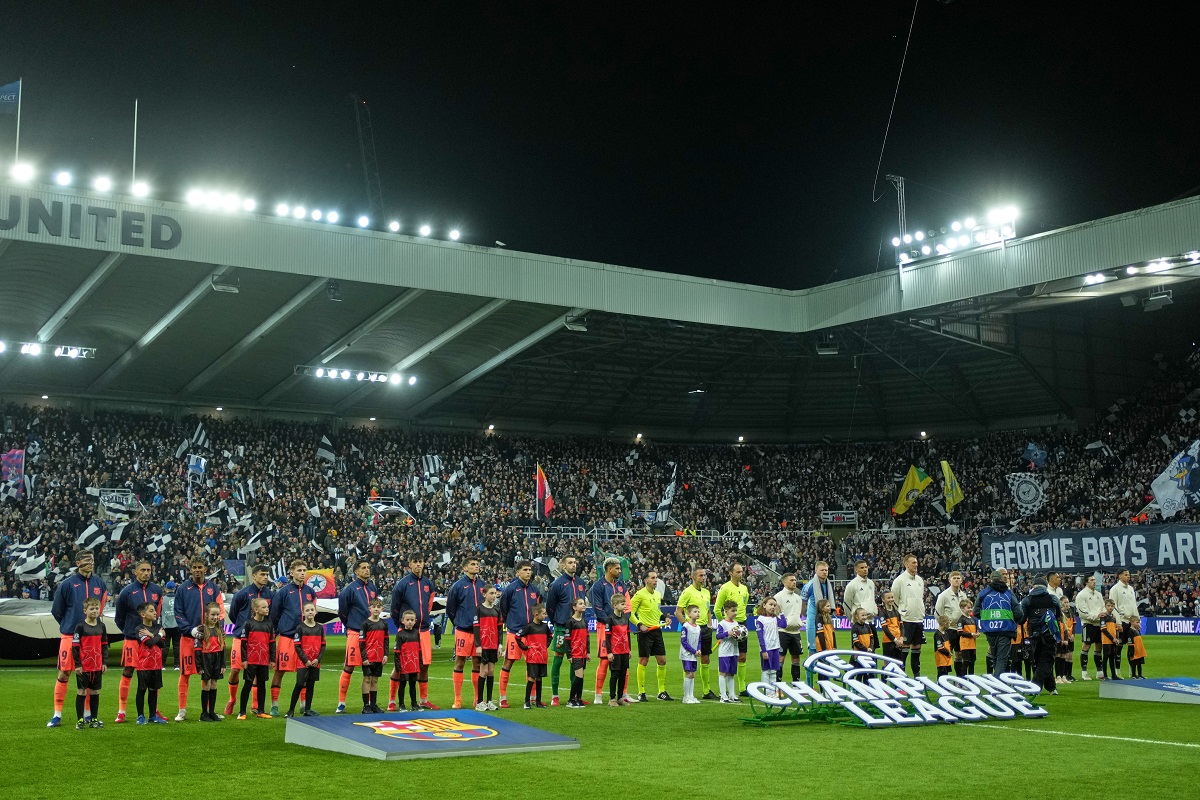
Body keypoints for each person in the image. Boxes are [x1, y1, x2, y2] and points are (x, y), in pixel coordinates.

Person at [49, 550, 108, 728]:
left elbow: (100, 609)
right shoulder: (67, 584)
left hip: (92, 638)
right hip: (69, 636)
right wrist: (70, 625)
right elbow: (57, 611)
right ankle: (57, 714)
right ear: (77, 563)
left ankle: (88, 715)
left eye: (92, 559)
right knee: (64, 673)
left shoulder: (100, 584)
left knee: (90, 675)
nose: (91, 562)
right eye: (86, 560)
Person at [113, 560, 163, 724]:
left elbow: (157, 614)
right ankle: (122, 711)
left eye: (148, 570)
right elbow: (119, 618)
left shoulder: (157, 590)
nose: (146, 573)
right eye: (143, 570)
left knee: (153, 674)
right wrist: (129, 631)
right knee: (128, 671)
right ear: (135, 572)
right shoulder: (127, 592)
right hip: (132, 640)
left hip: (151, 640)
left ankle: (154, 711)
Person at [175, 556, 223, 721]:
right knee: (185, 673)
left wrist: (217, 630)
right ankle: (182, 710)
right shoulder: (183, 589)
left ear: (205, 569)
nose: (197, 570)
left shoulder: (213, 588)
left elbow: (220, 611)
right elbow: (178, 613)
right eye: (194, 567)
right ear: (190, 569)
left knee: (208, 675)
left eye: (200, 567)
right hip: (188, 638)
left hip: (209, 639)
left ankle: (209, 711)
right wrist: (191, 630)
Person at [269, 558, 315, 716]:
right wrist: (278, 630)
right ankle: (274, 705)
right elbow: (274, 615)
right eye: (299, 570)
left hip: (306, 639)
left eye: (304, 570)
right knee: (280, 671)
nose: (302, 573)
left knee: (305, 672)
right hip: (287, 637)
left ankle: (303, 704)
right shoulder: (283, 592)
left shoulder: (310, 591)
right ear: (292, 573)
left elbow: (313, 611)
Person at [389, 556, 436, 710]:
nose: (418, 564)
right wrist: (401, 626)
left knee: (424, 665)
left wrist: (424, 620)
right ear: (410, 564)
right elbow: (394, 609)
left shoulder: (428, 584)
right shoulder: (402, 584)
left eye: (420, 561)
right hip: (407, 631)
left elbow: (429, 606)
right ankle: (392, 700)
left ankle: (423, 700)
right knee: (400, 666)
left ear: (423, 563)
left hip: (423, 630)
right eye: (415, 562)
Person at [225, 564, 272, 716]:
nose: (265, 577)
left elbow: (271, 615)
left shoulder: (270, 594)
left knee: (257, 673)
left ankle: (255, 706)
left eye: (267, 574)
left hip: (259, 640)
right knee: (235, 670)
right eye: (262, 574)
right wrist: (242, 627)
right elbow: (233, 615)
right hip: (241, 638)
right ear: (254, 576)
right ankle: (232, 699)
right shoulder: (242, 594)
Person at [335, 559, 378, 714]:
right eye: (363, 567)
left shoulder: (373, 587)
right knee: (349, 666)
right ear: (356, 572)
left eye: (368, 567)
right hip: (355, 632)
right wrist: (351, 625)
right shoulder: (349, 589)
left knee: (371, 669)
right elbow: (342, 612)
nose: (367, 569)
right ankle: (341, 702)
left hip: (371, 634)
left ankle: (370, 704)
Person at [498, 560, 542, 709]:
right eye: (525, 570)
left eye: (529, 570)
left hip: (531, 633)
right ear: (517, 573)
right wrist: (512, 623)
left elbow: (538, 609)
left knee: (533, 665)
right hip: (515, 632)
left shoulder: (535, 590)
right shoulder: (510, 589)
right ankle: (502, 697)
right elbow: (503, 609)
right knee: (508, 662)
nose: (528, 572)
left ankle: (533, 697)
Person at [546, 555, 587, 706]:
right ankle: (555, 696)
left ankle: (574, 695)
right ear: (563, 565)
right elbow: (550, 607)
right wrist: (557, 622)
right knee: (558, 658)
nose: (573, 565)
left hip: (577, 628)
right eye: (570, 562)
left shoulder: (581, 583)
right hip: (562, 627)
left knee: (575, 660)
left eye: (575, 562)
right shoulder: (557, 584)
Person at [589, 557, 632, 704]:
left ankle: (623, 694)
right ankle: (598, 695)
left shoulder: (621, 585)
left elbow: (628, 605)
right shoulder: (598, 586)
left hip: (621, 626)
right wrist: (611, 621)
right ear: (609, 569)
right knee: (605, 660)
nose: (620, 571)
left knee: (624, 660)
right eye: (617, 568)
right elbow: (597, 608)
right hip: (605, 626)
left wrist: (623, 619)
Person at [445, 557, 485, 710]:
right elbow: (450, 609)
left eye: (477, 564)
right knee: (460, 661)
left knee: (477, 663)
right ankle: (457, 699)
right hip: (463, 630)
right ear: (465, 568)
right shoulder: (458, 586)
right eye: (473, 564)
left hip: (479, 631)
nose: (476, 566)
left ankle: (477, 699)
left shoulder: (482, 585)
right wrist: (459, 622)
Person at [630, 569, 673, 702]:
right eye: (653, 578)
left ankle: (661, 692)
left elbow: (657, 611)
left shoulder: (658, 594)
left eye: (656, 578)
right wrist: (639, 625)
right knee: (644, 660)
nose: (656, 580)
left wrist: (664, 618)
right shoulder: (639, 595)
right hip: (645, 632)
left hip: (656, 631)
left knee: (662, 660)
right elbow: (630, 613)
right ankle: (641, 692)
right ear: (646, 580)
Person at [676, 567, 717, 700]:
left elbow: (708, 610)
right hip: (693, 630)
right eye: (700, 575)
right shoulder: (687, 592)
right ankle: (687, 694)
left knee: (705, 659)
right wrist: (686, 626)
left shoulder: (706, 592)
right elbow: (678, 612)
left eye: (704, 575)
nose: (703, 578)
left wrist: (710, 625)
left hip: (704, 629)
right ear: (693, 577)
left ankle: (706, 691)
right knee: (689, 659)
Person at [974, 568, 1023, 677]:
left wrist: (987, 619)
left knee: (995, 657)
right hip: (1005, 629)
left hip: (990, 630)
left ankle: (997, 681)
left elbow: (976, 612)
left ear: (990, 579)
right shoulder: (1008, 593)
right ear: (1001, 579)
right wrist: (1011, 620)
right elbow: (1019, 613)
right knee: (1002, 659)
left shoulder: (983, 593)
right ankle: (998, 682)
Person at [1019, 576, 1062, 695]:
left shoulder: (1027, 600)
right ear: (1045, 586)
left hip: (1033, 634)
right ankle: (1036, 686)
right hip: (1049, 633)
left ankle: (1051, 687)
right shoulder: (1053, 599)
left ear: (1033, 586)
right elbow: (1058, 615)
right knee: (1046, 660)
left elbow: (1022, 619)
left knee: (1039, 660)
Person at [71, 596, 109, 729]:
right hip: (84, 666)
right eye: (91, 608)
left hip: (97, 665)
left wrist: (104, 662)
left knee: (95, 692)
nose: (95, 611)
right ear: (85, 611)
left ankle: (94, 719)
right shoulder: (80, 627)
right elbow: (75, 647)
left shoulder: (102, 626)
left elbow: (104, 645)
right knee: (81, 691)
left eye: (97, 608)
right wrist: (77, 664)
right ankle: (80, 720)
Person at [714, 563, 750, 693]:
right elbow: (717, 608)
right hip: (729, 625)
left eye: (742, 572)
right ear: (731, 573)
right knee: (728, 655)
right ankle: (725, 690)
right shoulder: (725, 588)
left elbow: (744, 605)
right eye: (738, 572)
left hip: (742, 624)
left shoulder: (745, 588)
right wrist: (724, 624)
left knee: (742, 656)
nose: (741, 574)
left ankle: (742, 688)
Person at [238, 598, 274, 720]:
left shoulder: (269, 624)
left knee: (262, 685)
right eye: (264, 607)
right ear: (256, 609)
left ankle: (261, 711)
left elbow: (272, 643)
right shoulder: (248, 624)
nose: (267, 609)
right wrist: (244, 659)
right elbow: (243, 643)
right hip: (251, 660)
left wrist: (272, 659)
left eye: (267, 607)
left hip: (263, 660)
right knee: (248, 684)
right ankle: (242, 711)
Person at [889, 554, 925, 676]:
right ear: (906, 564)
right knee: (904, 650)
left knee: (917, 649)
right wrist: (902, 613)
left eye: (916, 562)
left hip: (918, 619)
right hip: (905, 620)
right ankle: (901, 676)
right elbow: (894, 600)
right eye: (913, 562)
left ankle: (917, 677)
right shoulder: (899, 580)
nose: (916, 565)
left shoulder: (920, 580)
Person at [289, 601, 325, 717]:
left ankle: (307, 710)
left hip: (315, 662)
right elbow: (297, 646)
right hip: (303, 662)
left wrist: (318, 659)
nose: (310, 612)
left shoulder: (320, 628)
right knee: (299, 684)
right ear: (303, 613)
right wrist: (305, 660)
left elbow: (323, 646)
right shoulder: (300, 627)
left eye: (312, 610)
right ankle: (291, 710)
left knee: (311, 685)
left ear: (316, 612)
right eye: (307, 610)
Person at [134, 601, 167, 725]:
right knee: (142, 689)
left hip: (156, 665)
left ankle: (153, 716)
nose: (155, 613)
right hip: (144, 665)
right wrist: (158, 635)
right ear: (143, 614)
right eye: (151, 611)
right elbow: (149, 643)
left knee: (153, 690)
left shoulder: (157, 627)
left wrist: (153, 635)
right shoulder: (140, 629)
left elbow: (162, 644)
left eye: (155, 611)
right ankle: (140, 716)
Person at [516, 603, 551, 709]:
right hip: (533, 657)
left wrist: (545, 646)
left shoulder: (545, 627)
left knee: (539, 678)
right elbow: (517, 636)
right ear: (536, 614)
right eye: (543, 614)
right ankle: (526, 702)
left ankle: (538, 701)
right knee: (532, 678)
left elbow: (550, 636)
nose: (545, 616)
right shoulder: (529, 627)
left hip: (542, 657)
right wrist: (525, 647)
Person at [473, 584, 502, 711]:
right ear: (484, 594)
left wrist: (500, 645)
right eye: (491, 593)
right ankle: (480, 701)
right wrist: (478, 645)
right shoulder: (479, 609)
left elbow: (499, 629)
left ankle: (489, 700)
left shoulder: (497, 610)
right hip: (483, 645)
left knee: (491, 671)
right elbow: (476, 628)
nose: (494, 596)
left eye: (495, 593)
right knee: (483, 671)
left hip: (493, 645)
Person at [195, 602, 226, 721]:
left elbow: (223, 648)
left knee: (214, 684)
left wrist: (223, 664)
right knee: (206, 684)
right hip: (206, 659)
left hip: (217, 659)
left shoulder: (219, 629)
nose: (215, 617)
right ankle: (204, 713)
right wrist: (199, 666)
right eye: (213, 614)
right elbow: (197, 649)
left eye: (217, 615)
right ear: (206, 615)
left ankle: (212, 712)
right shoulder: (202, 629)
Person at [773, 573, 805, 686]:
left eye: (795, 580)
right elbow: (775, 614)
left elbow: (799, 614)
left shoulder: (798, 598)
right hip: (782, 632)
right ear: (784, 582)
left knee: (796, 658)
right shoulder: (778, 597)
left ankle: (796, 685)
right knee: (780, 658)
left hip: (795, 632)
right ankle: (778, 686)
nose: (794, 582)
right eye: (791, 580)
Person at [360, 598, 390, 712]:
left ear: (382, 609)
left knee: (375, 680)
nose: (376, 609)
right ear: (370, 609)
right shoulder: (365, 624)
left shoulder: (384, 624)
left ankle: (373, 704)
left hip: (379, 657)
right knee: (367, 679)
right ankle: (366, 705)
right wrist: (364, 657)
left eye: (378, 607)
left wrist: (385, 655)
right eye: (374, 607)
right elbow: (361, 642)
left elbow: (386, 640)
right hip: (368, 657)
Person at [603, 593, 633, 706]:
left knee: (623, 674)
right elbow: (607, 637)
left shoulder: (626, 618)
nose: (624, 606)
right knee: (615, 674)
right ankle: (612, 698)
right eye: (622, 604)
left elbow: (628, 634)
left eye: (624, 604)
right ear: (615, 605)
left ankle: (620, 697)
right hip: (615, 651)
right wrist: (609, 652)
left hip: (624, 651)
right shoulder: (610, 619)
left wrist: (629, 649)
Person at [1075, 575, 1105, 681]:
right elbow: (1082, 612)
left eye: (1094, 580)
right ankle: (1084, 672)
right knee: (1086, 646)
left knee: (1099, 646)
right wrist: (1096, 616)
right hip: (1088, 623)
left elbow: (1103, 607)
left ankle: (1099, 671)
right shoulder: (1081, 595)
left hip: (1098, 624)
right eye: (1092, 580)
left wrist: (1102, 615)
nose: (1094, 582)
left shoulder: (1098, 594)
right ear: (1086, 582)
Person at [753, 597, 785, 688]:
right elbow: (760, 636)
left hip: (775, 647)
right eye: (770, 605)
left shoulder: (774, 618)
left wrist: (781, 612)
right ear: (764, 605)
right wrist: (764, 650)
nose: (773, 607)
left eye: (774, 605)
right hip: (767, 648)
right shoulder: (760, 620)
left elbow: (784, 625)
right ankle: (766, 690)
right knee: (766, 670)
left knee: (774, 671)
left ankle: (773, 690)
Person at [1110, 569, 1138, 672]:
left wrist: (1137, 621)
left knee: (1132, 646)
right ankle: (1117, 670)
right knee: (1119, 646)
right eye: (1126, 575)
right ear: (1120, 576)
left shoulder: (1131, 589)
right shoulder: (1115, 589)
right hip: (1122, 621)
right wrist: (1118, 622)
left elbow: (1134, 605)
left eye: (1129, 574)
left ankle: (1132, 671)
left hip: (1131, 622)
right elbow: (1114, 607)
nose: (1128, 576)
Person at [714, 600, 742, 703]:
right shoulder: (722, 623)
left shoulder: (736, 623)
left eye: (736, 610)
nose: (735, 613)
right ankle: (723, 696)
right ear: (726, 611)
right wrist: (728, 633)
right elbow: (718, 636)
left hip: (734, 651)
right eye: (733, 611)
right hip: (724, 652)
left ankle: (732, 695)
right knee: (723, 673)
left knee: (731, 673)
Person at [393, 610, 422, 710]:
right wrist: (398, 665)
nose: (410, 622)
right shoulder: (400, 635)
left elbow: (419, 649)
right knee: (402, 684)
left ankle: (414, 704)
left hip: (414, 664)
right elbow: (397, 651)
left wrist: (420, 662)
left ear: (415, 621)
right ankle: (401, 704)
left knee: (413, 684)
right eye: (407, 620)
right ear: (403, 621)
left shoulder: (416, 633)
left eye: (412, 620)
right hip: (404, 665)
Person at [935, 571, 968, 655]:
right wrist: (944, 625)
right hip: (949, 629)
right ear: (950, 580)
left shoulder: (963, 595)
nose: (956, 580)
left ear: (961, 580)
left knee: (959, 654)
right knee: (947, 653)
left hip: (961, 629)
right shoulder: (943, 595)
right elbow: (938, 612)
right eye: (954, 578)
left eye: (958, 578)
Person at [565, 597, 589, 708]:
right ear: (574, 607)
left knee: (581, 677)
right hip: (575, 653)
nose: (583, 605)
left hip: (583, 653)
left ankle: (578, 698)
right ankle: (571, 699)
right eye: (580, 604)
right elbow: (567, 640)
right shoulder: (570, 622)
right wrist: (569, 655)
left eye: (583, 603)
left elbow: (587, 638)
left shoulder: (584, 621)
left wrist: (588, 652)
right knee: (578, 676)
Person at [679, 604, 702, 704]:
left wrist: (699, 649)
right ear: (689, 614)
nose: (697, 613)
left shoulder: (698, 627)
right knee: (689, 674)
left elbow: (699, 641)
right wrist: (694, 651)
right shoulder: (686, 626)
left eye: (698, 612)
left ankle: (691, 696)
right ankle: (686, 697)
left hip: (694, 654)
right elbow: (684, 642)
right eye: (695, 612)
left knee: (692, 675)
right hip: (687, 654)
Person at [1099, 599, 1120, 680]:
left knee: (1112, 658)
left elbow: (1116, 629)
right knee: (1106, 657)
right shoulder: (1103, 616)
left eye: (1112, 606)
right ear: (1105, 606)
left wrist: (1117, 638)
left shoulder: (1113, 617)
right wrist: (1112, 638)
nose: (1110, 607)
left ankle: (1113, 675)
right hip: (1106, 640)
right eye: (1108, 606)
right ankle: (1105, 675)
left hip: (1113, 641)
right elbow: (1103, 629)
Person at [879, 591, 903, 662]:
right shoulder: (882, 613)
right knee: (888, 664)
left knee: (898, 664)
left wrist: (901, 638)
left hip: (899, 642)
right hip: (888, 642)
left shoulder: (896, 612)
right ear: (883, 600)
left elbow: (902, 626)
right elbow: (885, 628)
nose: (891, 599)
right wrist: (895, 640)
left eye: (892, 597)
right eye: (888, 598)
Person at [956, 599, 978, 677]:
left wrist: (977, 633)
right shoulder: (961, 620)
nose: (970, 609)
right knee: (966, 661)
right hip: (965, 645)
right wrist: (971, 634)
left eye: (971, 607)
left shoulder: (973, 619)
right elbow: (960, 632)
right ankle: (963, 679)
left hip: (972, 644)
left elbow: (975, 630)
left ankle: (971, 678)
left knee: (972, 662)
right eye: (968, 608)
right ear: (962, 608)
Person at [1056, 596, 1075, 684]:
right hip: (1059, 640)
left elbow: (1065, 629)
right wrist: (1060, 639)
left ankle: (1063, 676)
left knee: (1064, 656)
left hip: (1065, 639)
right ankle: (1058, 676)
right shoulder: (1057, 616)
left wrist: (1066, 639)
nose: (1066, 604)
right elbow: (1056, 629)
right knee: (1058, 655)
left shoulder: (1067, 615)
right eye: (1065, 602)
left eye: (1067, 602)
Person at [162, 582, 180, 671]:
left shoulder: (162, 599)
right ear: (174, 589)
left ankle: (162, 665)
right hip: (176, 625)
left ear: (166, 589)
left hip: (166, 625)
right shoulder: (178, 598)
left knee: (165, 646)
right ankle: (177, 665)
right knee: (177, 646)